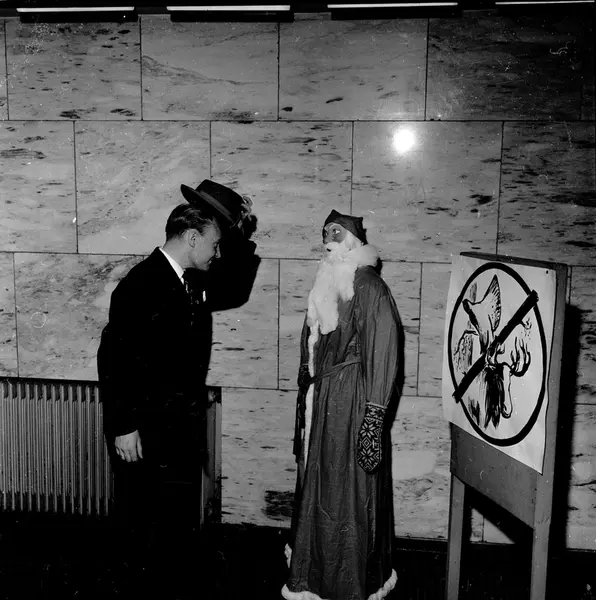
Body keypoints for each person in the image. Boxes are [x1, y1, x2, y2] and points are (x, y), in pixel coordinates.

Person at [97, 179, 257, 597]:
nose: (217, 254)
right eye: (215, 245)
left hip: (176, 429)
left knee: (170, 527)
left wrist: (234, 229)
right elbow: (113, 361)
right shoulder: (141, 284)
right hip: (143, 431)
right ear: (191, 238)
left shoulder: (191, 281)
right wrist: (123, 427)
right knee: (138, 524)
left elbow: (235, 287)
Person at [282, 210, 404, 600]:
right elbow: (312, 339)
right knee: (319, 486)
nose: (328, 240)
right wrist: (306, 375)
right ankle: (314, 574)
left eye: (336, 233)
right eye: (324, 233)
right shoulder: (328, 280)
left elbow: (383, 350)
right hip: (322, 401)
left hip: (350, 405)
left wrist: (373, 417)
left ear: (352, 240)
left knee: (345, 491)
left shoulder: (369, 285)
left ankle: (346, 582)